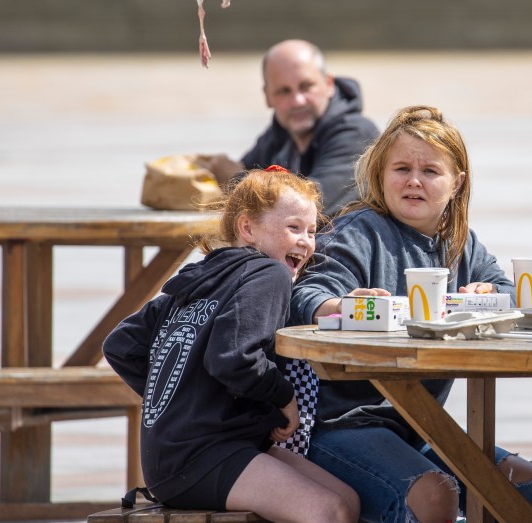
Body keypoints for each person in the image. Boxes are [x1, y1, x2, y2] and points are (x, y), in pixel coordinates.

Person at [290, 105, 532, 523]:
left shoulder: (461, 245)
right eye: (401, 168)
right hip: (341, 426)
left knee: (526, 485)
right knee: (434, 495)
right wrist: (343, 305)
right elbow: (306, 294)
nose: (414, 180)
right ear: (380, 175)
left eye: (430, 171)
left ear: (456, 183)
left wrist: (487, 293)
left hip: (419, 427)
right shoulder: (357, 232)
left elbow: (507, 292)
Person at [103, 167, 359, 523]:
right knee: (329, 512)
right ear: (247, 228)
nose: (306, 241)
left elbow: (121, 344)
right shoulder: (270, 274)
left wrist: (181, 398)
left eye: (312, 231)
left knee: (347, 501)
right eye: (293, 228)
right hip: (201, 457)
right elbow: (234, 358)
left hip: (177, 455)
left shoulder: (200, 277)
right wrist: (284, 399)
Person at [201, 40, 379, 217]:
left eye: (306, 86)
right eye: (284, 91)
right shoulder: (281, 133)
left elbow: (305, 207)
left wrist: (235, 179)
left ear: (329, 85)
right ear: (268, 97)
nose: (297, 101)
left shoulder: (355, 135)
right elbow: (247, 172)